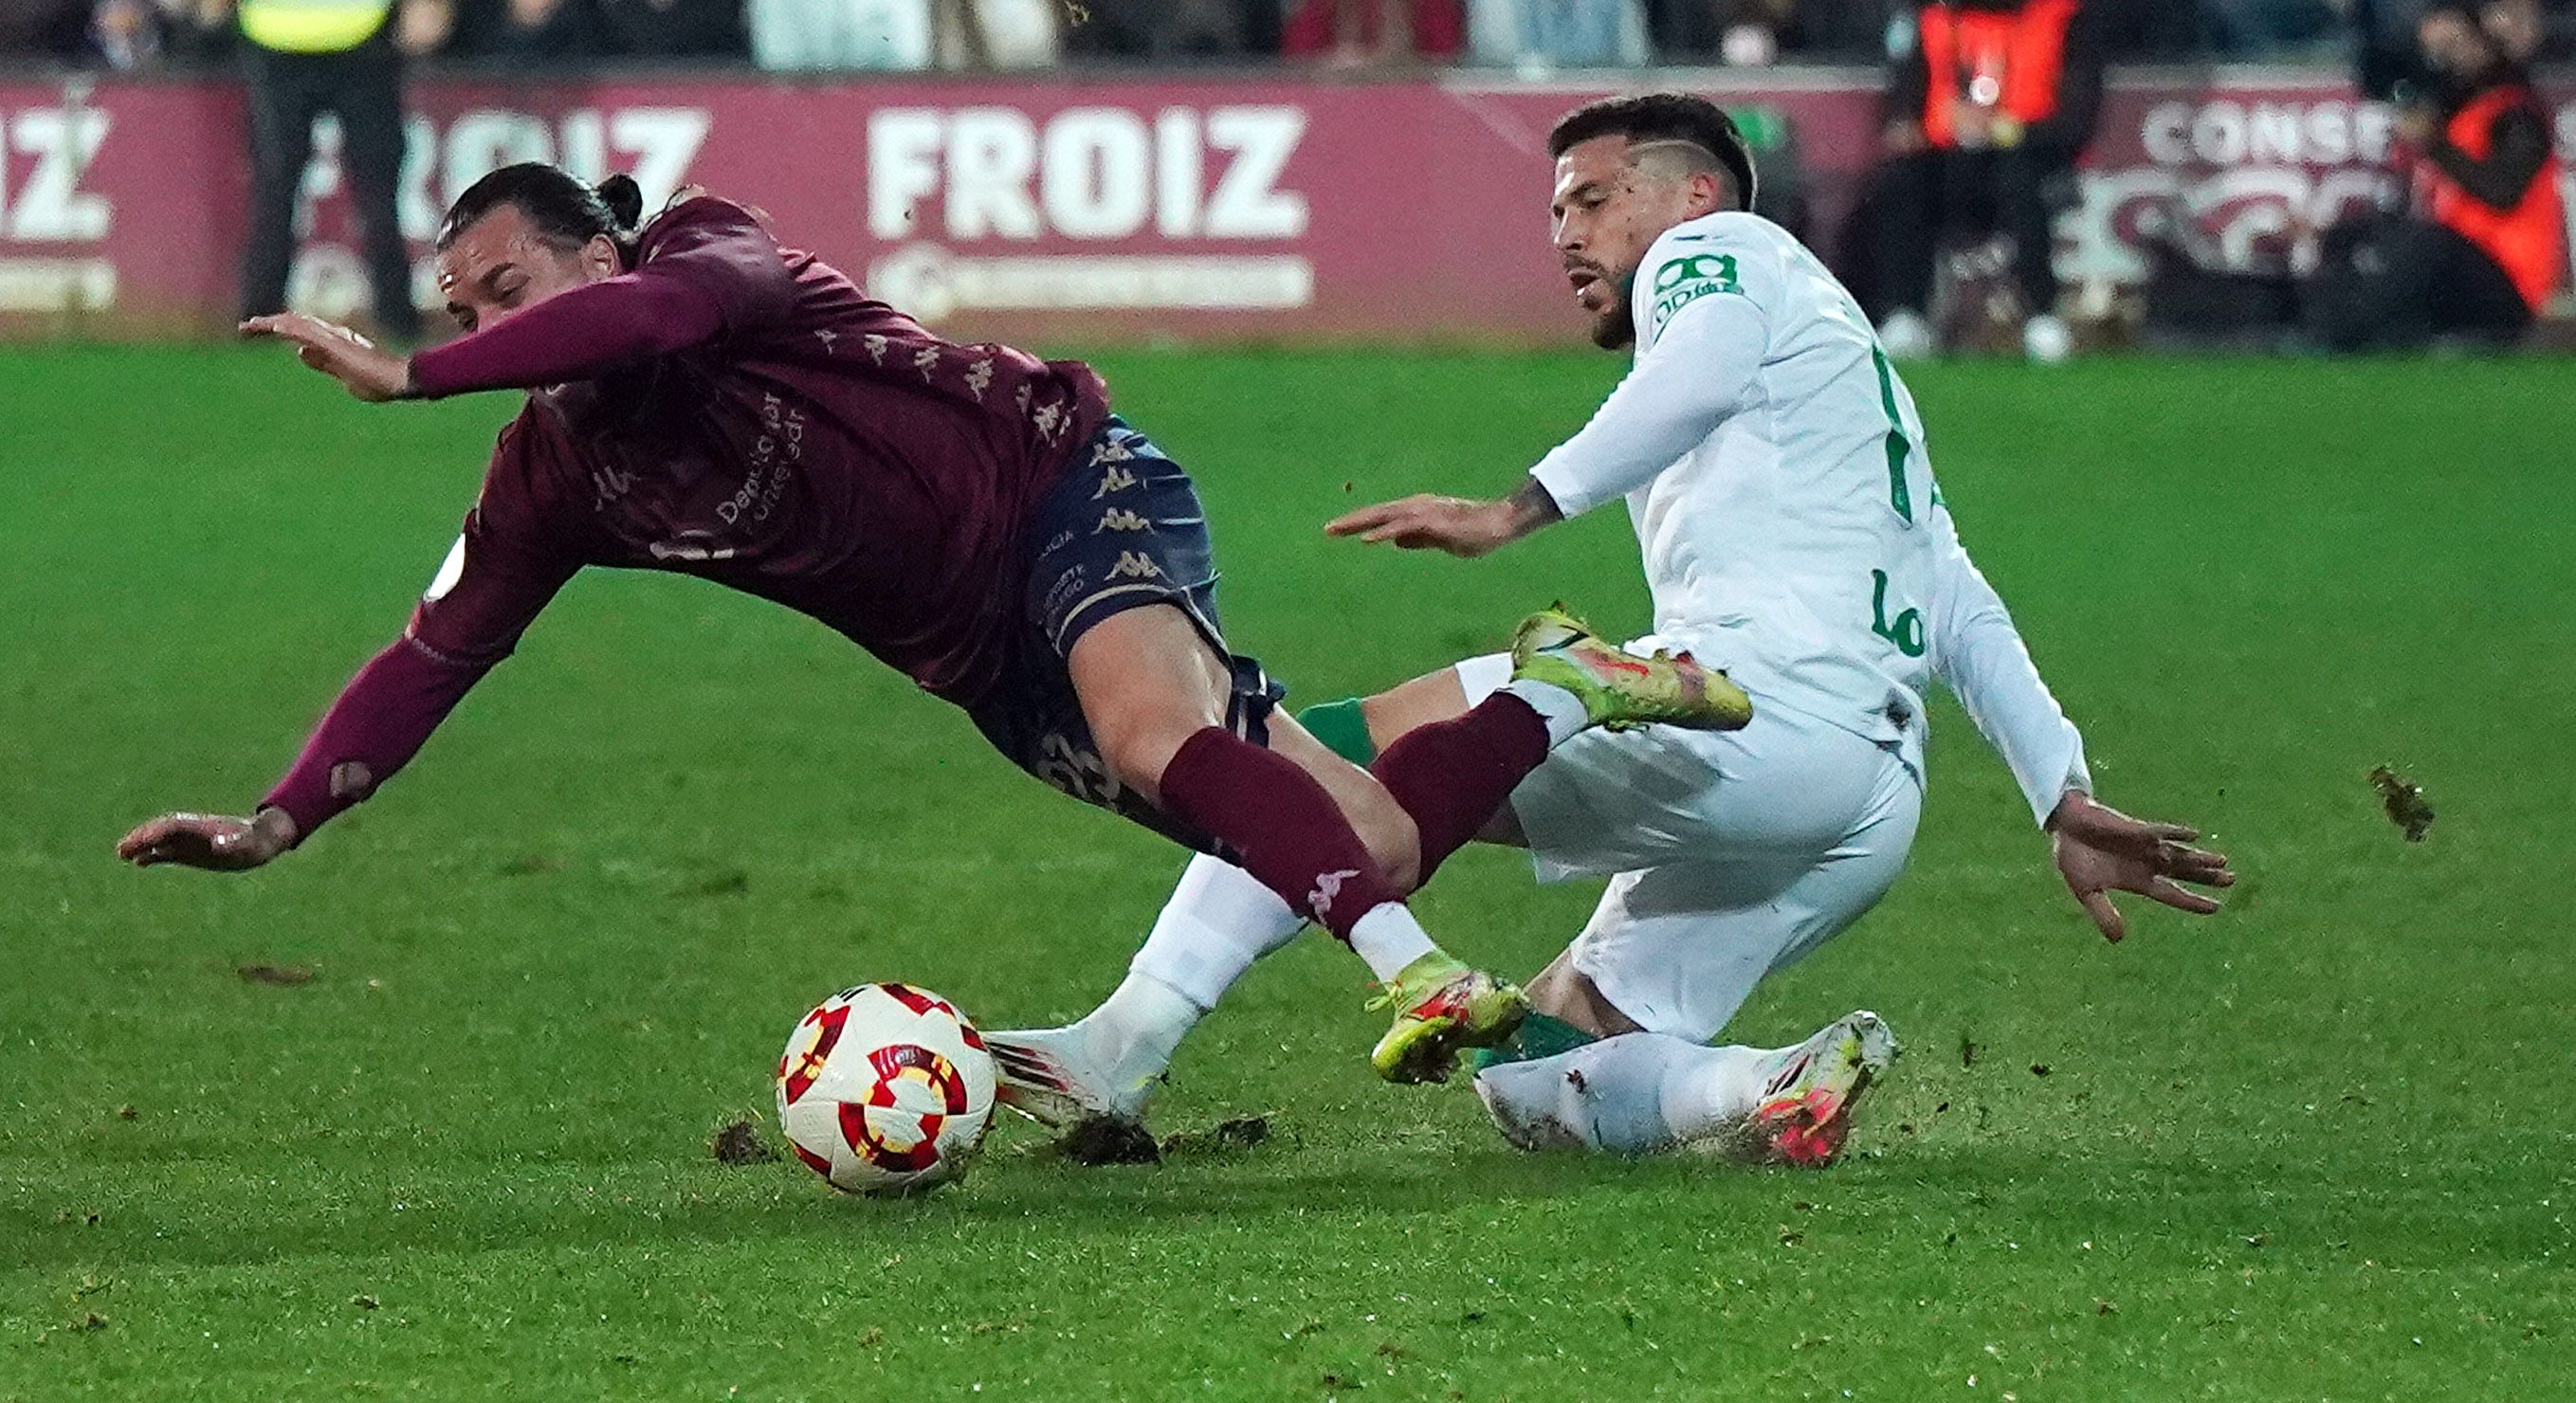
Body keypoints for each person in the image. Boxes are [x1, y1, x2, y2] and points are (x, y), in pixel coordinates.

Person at [118, 164, 1752, 1084]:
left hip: (1062, 481)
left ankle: (1418, 981)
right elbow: (435, 652)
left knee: (1158, 737)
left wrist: (407, 371)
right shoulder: (554, 473)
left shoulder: (704, 249)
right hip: (974, 657)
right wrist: (276, 823)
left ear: (598, 248)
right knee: (1367, 838)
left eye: (509, 288)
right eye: (458, 310)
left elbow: (662, 312)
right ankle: (1550, 689)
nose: (485, 323)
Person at [988, 94, 2235, 1166]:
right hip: (1864, 798)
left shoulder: (1720, 254)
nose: (1566, 238)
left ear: (1687, 193)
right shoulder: (1852, 376)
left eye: (1589, 203)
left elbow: (1686, 373)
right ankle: (1775, 1080)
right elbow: (1955, 592)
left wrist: (1518, 509)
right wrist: (2057, 790)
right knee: (1540, 1077)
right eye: (1551, 215)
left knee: (1310, 754)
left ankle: (1121, 1048)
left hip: (1735, 702)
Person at [2313, 1, 2564, 349]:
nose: (2448, 59)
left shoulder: (2516, 112)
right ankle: (2314, 322)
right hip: (2455, 270)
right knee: (2360, 237)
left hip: (2508, 284)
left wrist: (2433, 144)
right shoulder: (2455, 117)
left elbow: (2504, 192)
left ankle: (2341, 339)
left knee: (2427, 246)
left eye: (2457, 46)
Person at [1870, 0, 2105, 364]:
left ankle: (2041, 316)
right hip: (1947, 158)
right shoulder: (1934, 18)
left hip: (2031, 155)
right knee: (1902, 179)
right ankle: (1906, 314)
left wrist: (2006, 129)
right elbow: (1904, 101)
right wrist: (1906, 126)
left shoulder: (2062, 16)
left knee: (2019, 181)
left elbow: (2078, 120)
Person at [234, 0, 431, 342]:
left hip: (281, 31)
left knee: (276, 187)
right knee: (375, 190)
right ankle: (398, 318)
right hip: (355, 30)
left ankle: (258, 317)